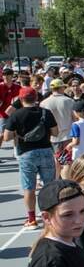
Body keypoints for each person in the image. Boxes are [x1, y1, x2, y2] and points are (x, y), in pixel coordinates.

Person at [3, 86, 58, 228]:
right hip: (45, 150)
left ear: (21, 99)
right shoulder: (45, 113)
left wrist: (18, 133)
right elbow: (55, 132)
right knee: (49, 185)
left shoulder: (16, 115)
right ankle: (52, 215)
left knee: (29, 187)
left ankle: (32, 219)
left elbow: (7, 137)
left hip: (26, 153)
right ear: (36, 98)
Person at [41, 78, 76, 176]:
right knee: (67, 161)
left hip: (53, 137)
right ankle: (66, 180)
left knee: (56, 160)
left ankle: (56, 180)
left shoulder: (44, 103)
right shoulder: (69, 101)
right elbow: (75, 119)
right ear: (61, 88)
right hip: (68, 136)